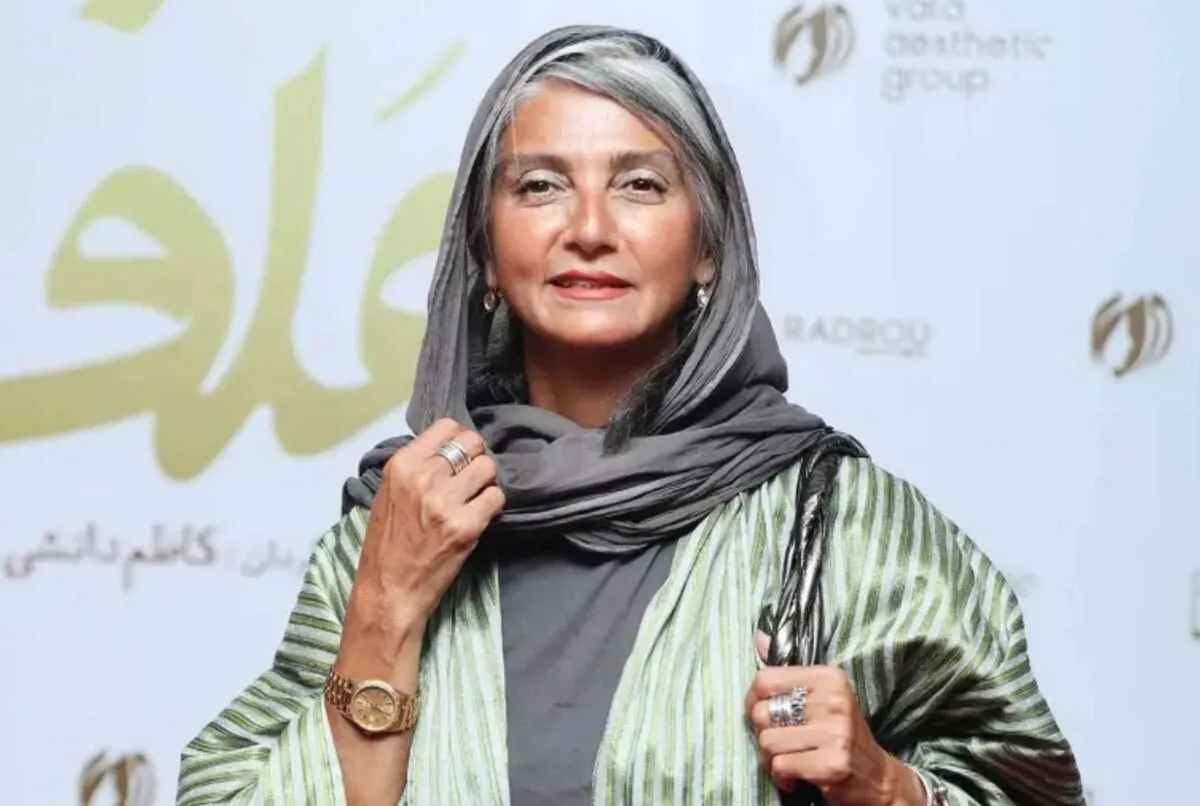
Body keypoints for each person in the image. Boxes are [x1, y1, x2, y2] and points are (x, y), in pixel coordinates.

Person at [175, 25, 1085, 806]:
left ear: (709, 248)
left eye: (641, 185)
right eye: (539, 185)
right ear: (483, 249)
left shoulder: (842, 527)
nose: (589, 228)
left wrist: (887, 787)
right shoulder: (401, 525)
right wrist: (384, 613)